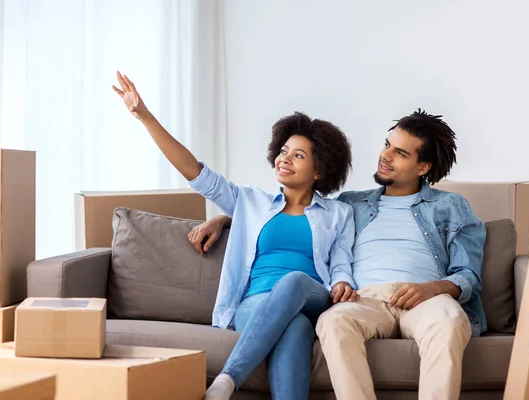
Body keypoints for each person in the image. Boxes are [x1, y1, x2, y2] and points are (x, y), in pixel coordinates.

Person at [193, 109, 487, 400]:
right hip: (366, 299)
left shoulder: (451, 206)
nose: (385, 155)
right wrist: (226, 218)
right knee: (332, 323)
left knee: (449, 320)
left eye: (400, 153)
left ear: (423, 167)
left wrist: (432, 288)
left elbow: (468, 274)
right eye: (387, 145)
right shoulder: (350, 205)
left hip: (426, 298)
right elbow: (299, 211)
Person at [112, 71, 360, 400]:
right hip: (253, 306)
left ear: (319, 170)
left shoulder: (340, 214)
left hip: (311, 295)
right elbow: (195, 172)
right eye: (284, 151)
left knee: (295, 281)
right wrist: (144, 116)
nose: (285, 158)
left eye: (298, 155)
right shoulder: (250, 202)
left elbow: (341, 262)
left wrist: (343, 281)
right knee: (296, 327)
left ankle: (227, 380)